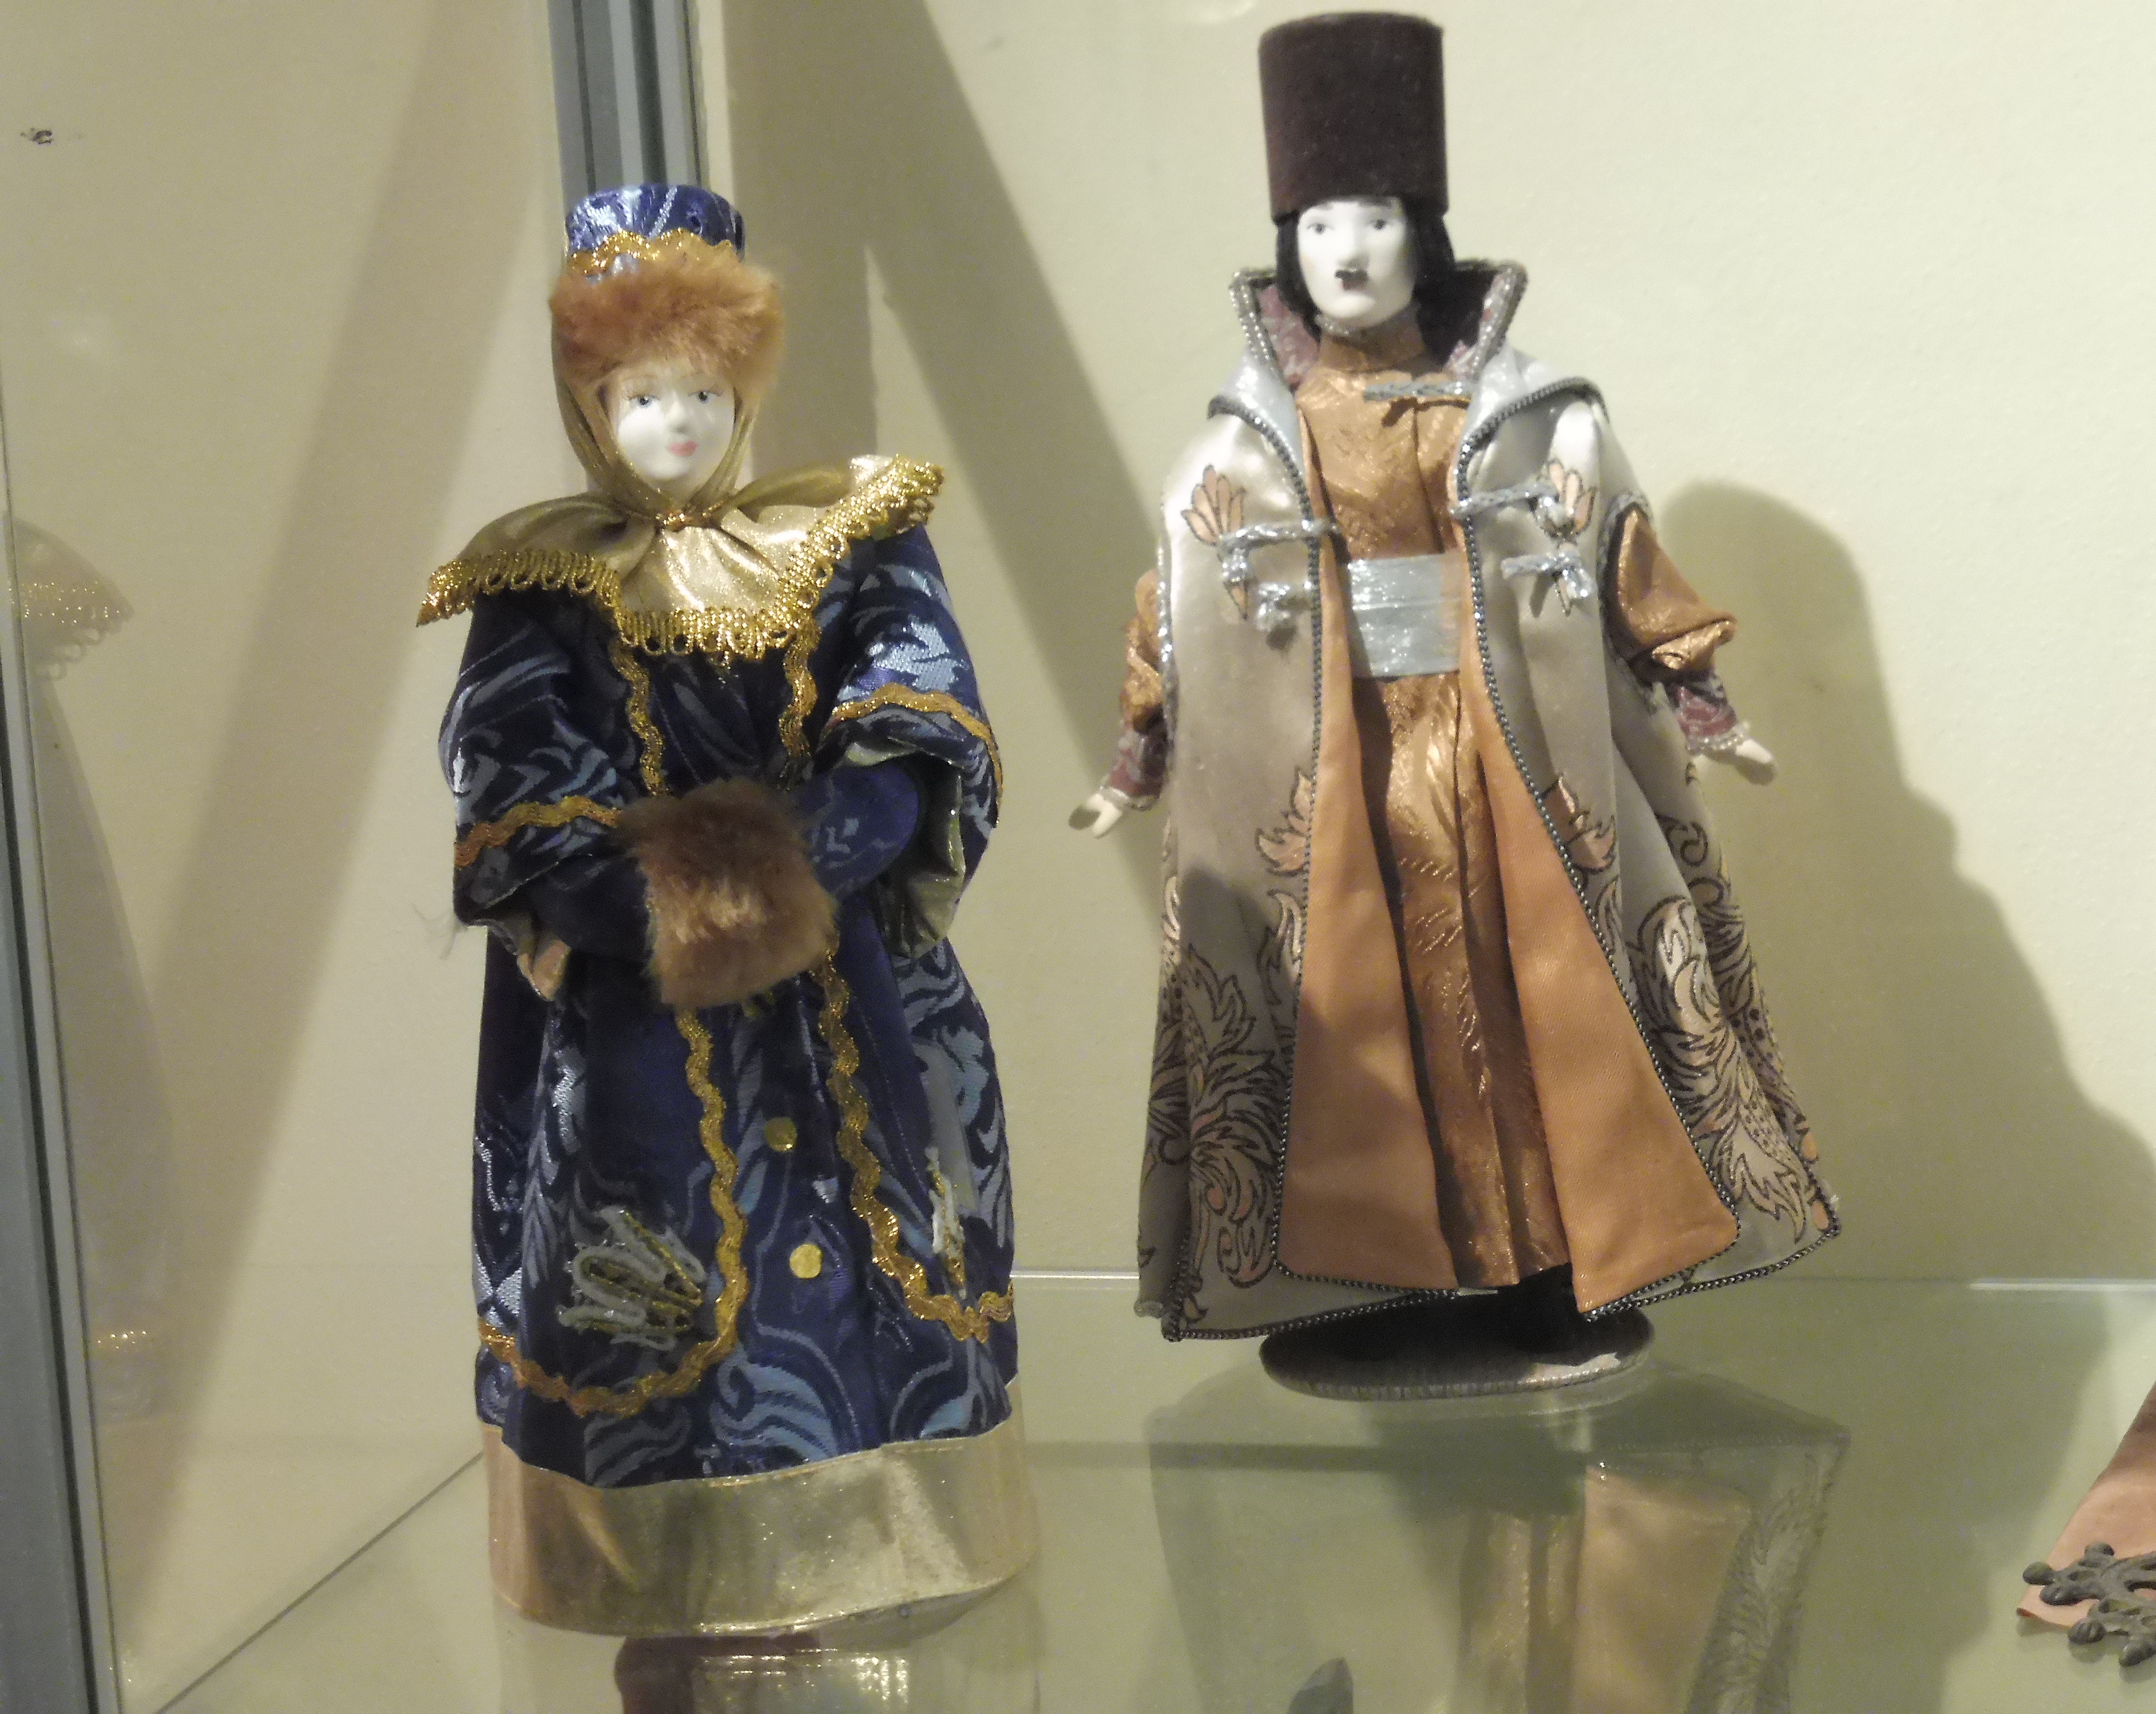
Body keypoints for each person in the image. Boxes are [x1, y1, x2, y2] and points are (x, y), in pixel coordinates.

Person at [1077, 14, 1833, 1348]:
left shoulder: (1529, 412)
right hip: (1338, 751)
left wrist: (1703, 699)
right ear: (1288, 245)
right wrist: (1140, 749)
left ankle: (1543, 1263)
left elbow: (1621, 550)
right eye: (1317, 224)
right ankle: (1376, 1273)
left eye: (1372, 219)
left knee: (1523, 991)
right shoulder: (1247, 439)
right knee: (1354, 1009)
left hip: (1502, 745)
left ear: (1419, 231)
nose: (1346, 251)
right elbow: (1176, 598)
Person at [423, 183, 1030, 1641]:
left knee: (893, 1232)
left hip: (850, 985)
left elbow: (912, 710)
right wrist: (678, 893)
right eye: (639, 396)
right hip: (638, 1010)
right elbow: (518, 779)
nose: (677, 425)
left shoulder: (852, 536)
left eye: (702, 391)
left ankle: (890, 1548)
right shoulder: (539, 584)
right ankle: (669, 1581)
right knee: (650, 1262)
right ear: (589, 406)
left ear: (746, 388)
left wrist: (837, 833)